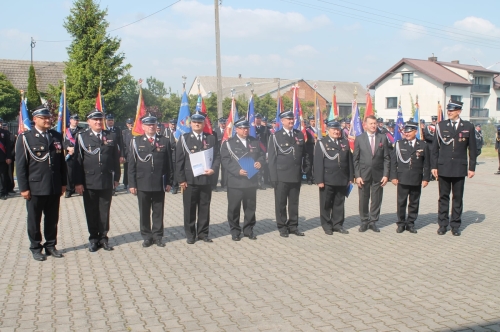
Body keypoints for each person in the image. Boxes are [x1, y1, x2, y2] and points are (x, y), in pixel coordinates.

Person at [15, 106, 67, 261]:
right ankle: (36, 247)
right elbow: (20, 165)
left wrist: (63, 182)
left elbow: (61, 162)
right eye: (43, 118)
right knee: (34, 219)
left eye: (48, 117)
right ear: (35, 119)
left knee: (52, 218)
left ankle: (50, 245)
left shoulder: (56, 135)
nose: (47, 120)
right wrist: (23, 188)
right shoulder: (26, 137)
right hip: (35, 186)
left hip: (53, 185)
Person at [74, 110, 121, 252]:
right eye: (95, 120)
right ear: (89, 122)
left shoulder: (110, 136)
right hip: (89, 180)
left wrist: (117, 178)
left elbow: (115, 160)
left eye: (100, 120)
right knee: (91, 211)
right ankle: (93, 238)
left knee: (104, 211)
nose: (98, 122)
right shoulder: (82, 137)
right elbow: (77, 160)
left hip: (106, 179)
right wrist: (78, 182)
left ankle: (104, 238)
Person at [431, 100, 477, 236]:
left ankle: (455, 225)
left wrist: (472, 167)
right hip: (444, 167)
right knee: (443, 197)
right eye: (448, 110)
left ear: (459, 111)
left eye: (452, 110)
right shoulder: (441, 125)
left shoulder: (468, 126)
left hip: (459, 168)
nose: (449, 112)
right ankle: (443, 224)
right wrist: (434, 166)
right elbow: (435, 148)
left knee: (457, 198)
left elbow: (472, 149)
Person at [128, 115, 172, 247]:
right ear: (143, 127)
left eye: (153, 124)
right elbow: (131, 165)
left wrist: (169, 181)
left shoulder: (165, 141)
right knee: (144, 211)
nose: (151, 127)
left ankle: (158, 236)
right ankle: (147, 236)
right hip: (142, 182)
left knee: (158, 211)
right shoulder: (136, 141)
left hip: (159, 181)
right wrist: (132, 184)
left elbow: (169, 163)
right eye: (148, 125)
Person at [176, 113, 220, 244]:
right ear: (191, 124)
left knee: (204, 207)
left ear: (203, 124)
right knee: (189, 208)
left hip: (206, 178)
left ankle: (203, 233)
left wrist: (214, 169)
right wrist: (181, 180)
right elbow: (179, 161)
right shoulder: (184, 139)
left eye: (199, 122)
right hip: (190, 180)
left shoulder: (211, 138)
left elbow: (217, 157)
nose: (197, 124)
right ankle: (190, 234)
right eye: (194, 122)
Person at [268, 110, 311, 237]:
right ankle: (282, 227)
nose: (291, 121)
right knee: (281, 203)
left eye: (292, 119)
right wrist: (273, 178)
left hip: (296, 175)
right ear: (282, 121)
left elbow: (305, 154)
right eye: (288, 119)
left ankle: (293, 226)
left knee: (294, 203)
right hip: (281, 176)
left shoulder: (299, 135)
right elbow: (271, 159)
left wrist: (306, 169)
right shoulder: (275, 136)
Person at [221, 117, 264, 241]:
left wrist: (260, 163)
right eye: (243, 128)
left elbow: (261, 155)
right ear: (237, 129)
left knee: (250, 207)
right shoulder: (229, 143)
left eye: (247, 128)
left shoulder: (254, 141)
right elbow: (225, 161)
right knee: (234, 208)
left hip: (251, 180)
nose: (246, 130)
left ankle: (248, 230)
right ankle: (235, 231)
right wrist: (237, 171)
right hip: (236, 181)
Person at [390, 121, 430, 234]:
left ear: (415, 132)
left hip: (416, 178)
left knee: (414, 202)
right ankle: (401, 223)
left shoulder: (423, 145)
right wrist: (393, 176)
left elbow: (427, 163)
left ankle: (411, 223)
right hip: (402, 178)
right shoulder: (399, 144)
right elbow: (394, 161)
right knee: (401, 202)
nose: (406, 134)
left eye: (409, 131)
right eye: (405, 132)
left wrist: (426, 178)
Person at [314, 120, 353, 235]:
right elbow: (318, 163)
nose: (336, 131)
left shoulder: (344, 142)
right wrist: (319, 180)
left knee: (339, 203)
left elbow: (349, 161)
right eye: (333, 129)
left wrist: (351, 177)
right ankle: (326, 225)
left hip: (342, 178)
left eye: (338, 129)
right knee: (326, 203)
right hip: (327, 179)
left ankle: (337, 224)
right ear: (328, 130)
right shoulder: (322, 143)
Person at [353, 115, 391, 232]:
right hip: (363, 174)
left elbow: (386, 158)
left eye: (375, 123)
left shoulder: (382, 138)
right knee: (363, 199)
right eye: (371, 123)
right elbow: (356, 159)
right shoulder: (359, 139)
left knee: (376, 198)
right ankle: (364, 221)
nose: (373, 125)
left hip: (378, 174)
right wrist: (357, 176)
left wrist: (386, 174)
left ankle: (373, 221)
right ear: (365, 125)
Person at [62, 114, 82, 198]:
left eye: (77, 120)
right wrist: (67, 148)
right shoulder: (64, 130)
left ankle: (80, 188)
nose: (75, 121)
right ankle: (69, 190)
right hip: (69, 155)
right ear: (70, 120)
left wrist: (75, 148)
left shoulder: (81, 130)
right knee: (69, 173)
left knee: (79, 171)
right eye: (74, 120)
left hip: (78, 154)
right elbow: (61, 142)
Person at [105, 114, 124, 195]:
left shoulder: (117, 130)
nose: (110, 122)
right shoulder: (104, 129)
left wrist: (122, 155)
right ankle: (109, 186)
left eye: (112, 120)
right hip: (107, 153)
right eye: (109, 120)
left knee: (116, 170)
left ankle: (114, 186)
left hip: (116, 153)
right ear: (106, 121)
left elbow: (121, 143)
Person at [254, 113, 270, 189]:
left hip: (262, 150)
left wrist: (267, 151)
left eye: (259, 118)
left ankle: (260, 183)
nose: (258, 119)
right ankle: (254, 182)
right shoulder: (252, 128)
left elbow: (267, 140)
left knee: (261, 166)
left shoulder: (265, 128)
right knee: (254, 166)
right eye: (257, 118)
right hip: (253, 149)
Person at [212, 117, 227, 192]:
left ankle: (224, 184)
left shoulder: (228, 131)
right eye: (222, 123)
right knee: (216, 169)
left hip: (225, 152)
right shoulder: (215, 131)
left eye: (224, 123)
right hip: (217, 152)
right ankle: (214, 185)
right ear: (219, 124)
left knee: (224, 169)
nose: (223, 125)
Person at [165, 119, 179, 194]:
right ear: (169, 124)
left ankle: (175, 186)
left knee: (175, 170)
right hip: (167, 153)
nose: (173, 126)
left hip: (175, 153)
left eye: (174, 124)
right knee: (169, 169)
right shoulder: (165, 131)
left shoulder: (178, 131)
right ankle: (168, 184)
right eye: (171, 124)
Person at [0, 118, 13, 200]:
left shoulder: (4, 133)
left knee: (3, 176)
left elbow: (8, 146)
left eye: (0, 123)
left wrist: (8, 157)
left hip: (2, 157)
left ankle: (2, 192)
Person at [121, 118, 134, 191]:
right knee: (126, 169)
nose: (130, 124)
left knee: (133, 169)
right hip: (127, 153)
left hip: (134, 153)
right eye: (129, 123)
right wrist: (123, 155)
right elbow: (123, 144)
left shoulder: (135, 132)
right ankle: (125, 183)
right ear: (126, 124)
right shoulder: (124, 132)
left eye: (131, 123)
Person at [305, 115, 317, 185]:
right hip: (309, 149)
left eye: (314, 121)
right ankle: (309, 178)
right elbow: (306, 140)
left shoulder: (318, 129)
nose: (313, 122)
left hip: (316, 149)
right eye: (312, 121)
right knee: (309, 165)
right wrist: (313, 141)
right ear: (309, 122)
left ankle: (315, 178)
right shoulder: (307, 130)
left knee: (315, 165)